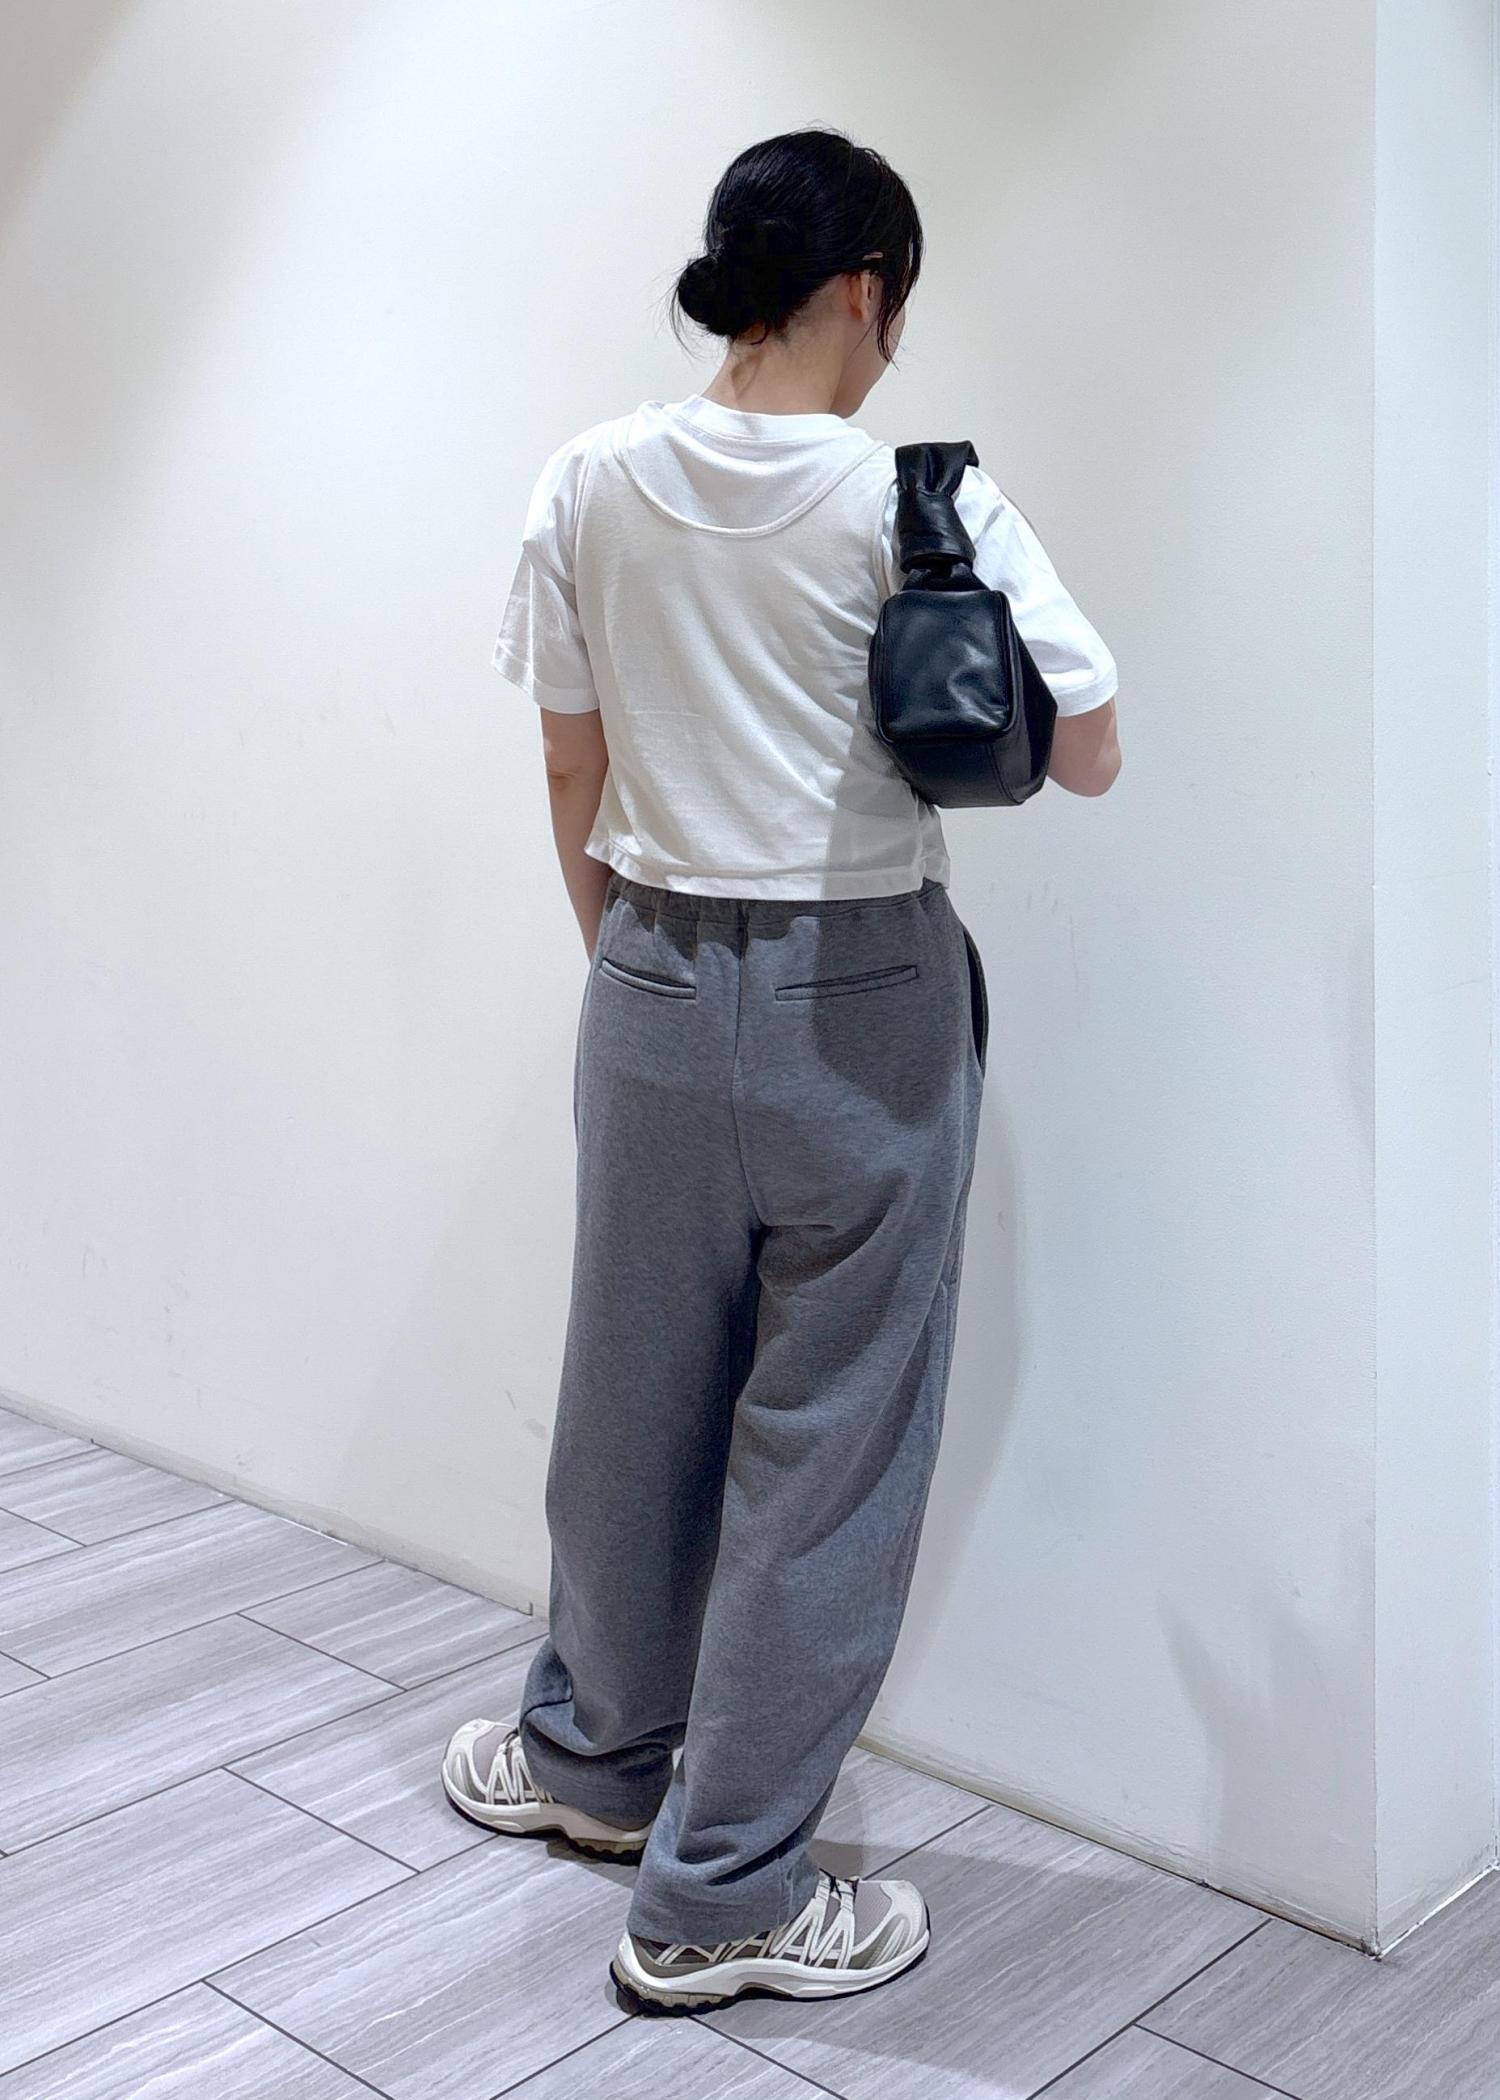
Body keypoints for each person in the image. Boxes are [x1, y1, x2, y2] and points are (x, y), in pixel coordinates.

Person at [441, 126, 1122, 2012]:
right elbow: (1089, 748)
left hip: (651, 969)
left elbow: (569, 761)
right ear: (858, 289)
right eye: (897, 308)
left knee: (628, 1395)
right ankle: (724, 1890)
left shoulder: (589, 478)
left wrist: (632, 960)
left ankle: (593, 1764)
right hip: (866, 994)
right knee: (829, 1445)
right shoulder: (918, 497)